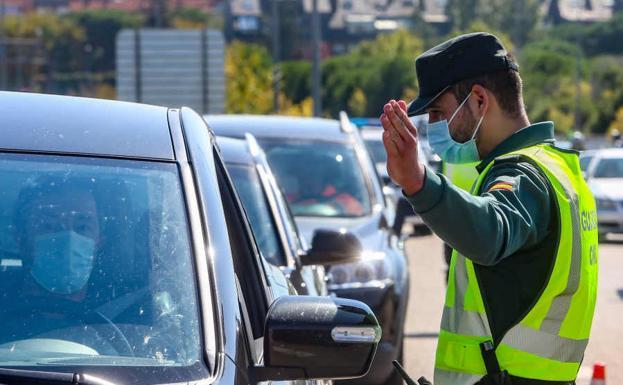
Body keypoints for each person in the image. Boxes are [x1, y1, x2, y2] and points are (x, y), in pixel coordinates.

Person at [380, 33, 598, 385]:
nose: (433, 126)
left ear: (479, 100)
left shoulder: (524, 175)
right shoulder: (558, 169)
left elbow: (490, 232)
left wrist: (416, 180)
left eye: (438, 111)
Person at [2, 177, 102, 344]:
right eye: (49, 226)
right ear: (20, 239)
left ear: (100, 241)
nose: (68, 238)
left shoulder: (133, 313)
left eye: (82, 227)